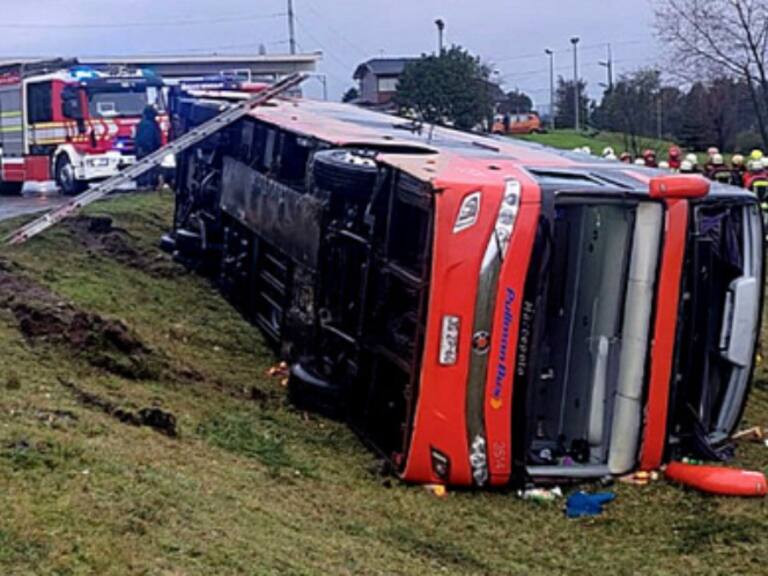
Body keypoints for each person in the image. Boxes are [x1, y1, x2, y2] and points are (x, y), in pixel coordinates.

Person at [135, 105, 163, 188]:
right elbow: (146, 139)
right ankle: (147, 185)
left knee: (147, 169)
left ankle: (148, 184)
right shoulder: (148, 124)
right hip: (147, 151)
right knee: (147, 169)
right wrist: (152, 149)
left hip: (146, 151)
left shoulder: (147, 123)